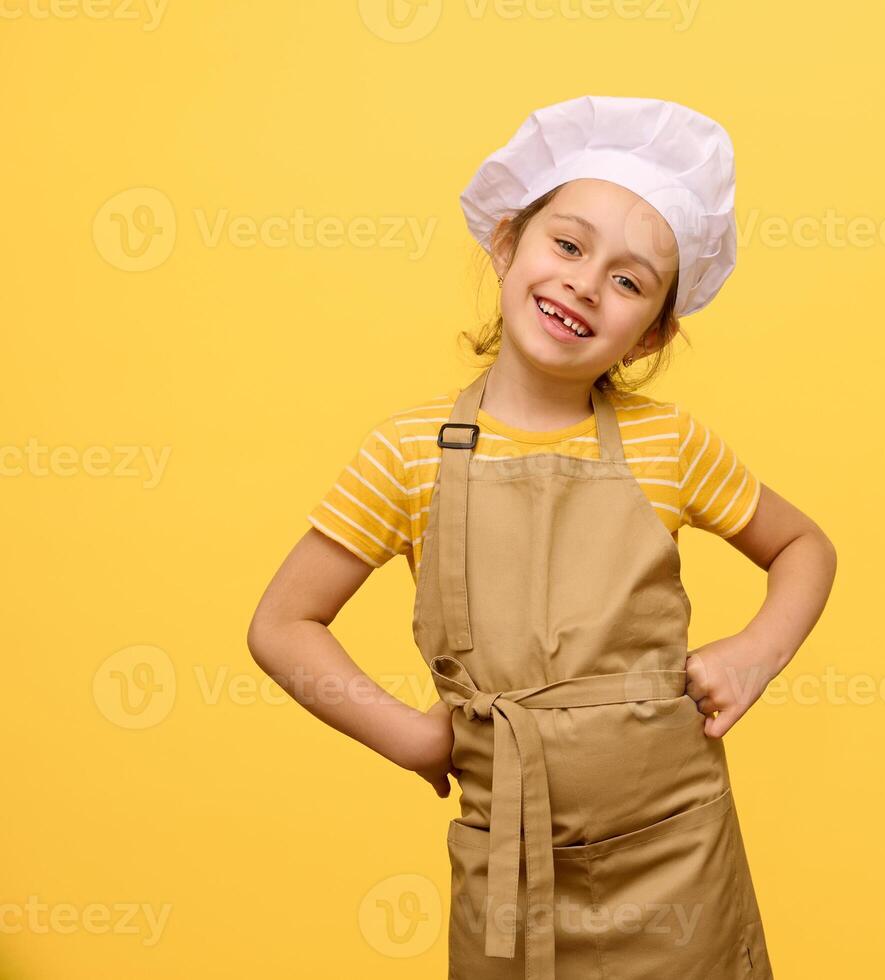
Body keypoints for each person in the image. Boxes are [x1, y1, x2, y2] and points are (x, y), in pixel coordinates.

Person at [246, 95, 837, 978]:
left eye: (629, 280)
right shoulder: (406, 454)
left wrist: (753, 653)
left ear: (653, 334)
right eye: (567, 244)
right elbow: (282, 624)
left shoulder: (668, 444)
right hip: (510, 866)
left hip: (678, 857)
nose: (585, 284)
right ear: (506, 243)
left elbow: (805, 549)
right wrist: (412, 738)